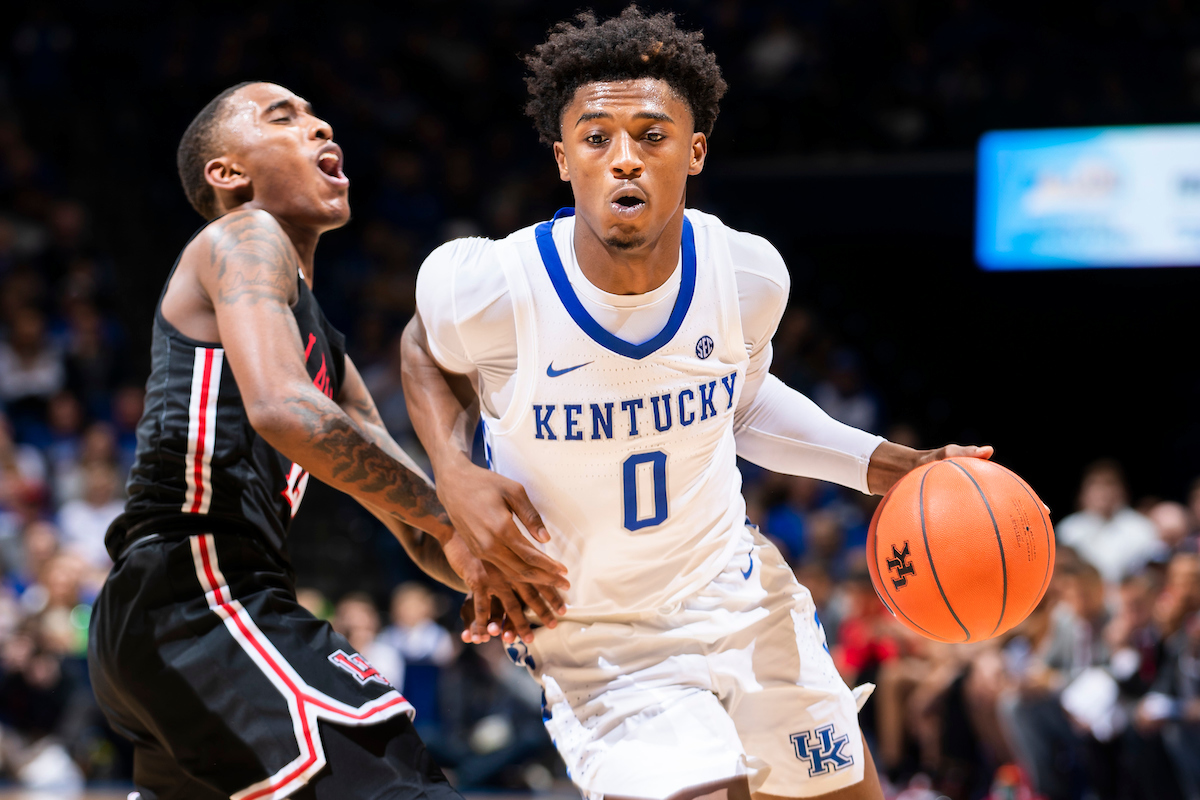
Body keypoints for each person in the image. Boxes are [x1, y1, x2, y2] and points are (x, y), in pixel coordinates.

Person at [401, 8, 992, 800]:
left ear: (695, 151)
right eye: (596, 138)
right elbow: (420, 350)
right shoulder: (490, 287)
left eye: (652, 136)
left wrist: (890, 465)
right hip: (595, 631)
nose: (624, 161)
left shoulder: (746, 276)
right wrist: (453, 470)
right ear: (563, 158)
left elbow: (743, 408)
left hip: (736, 594)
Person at [86, 81, 565, 800]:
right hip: (198, 590)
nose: (318, 126)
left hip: (182, 613)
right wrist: (453, 513)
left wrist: (500, 576)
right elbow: (284, 411)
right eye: (285, 119)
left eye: (317, 117)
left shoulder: (326, 352)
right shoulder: (244, 235)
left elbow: (415, 519)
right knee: (397, 778)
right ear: (228, 174)